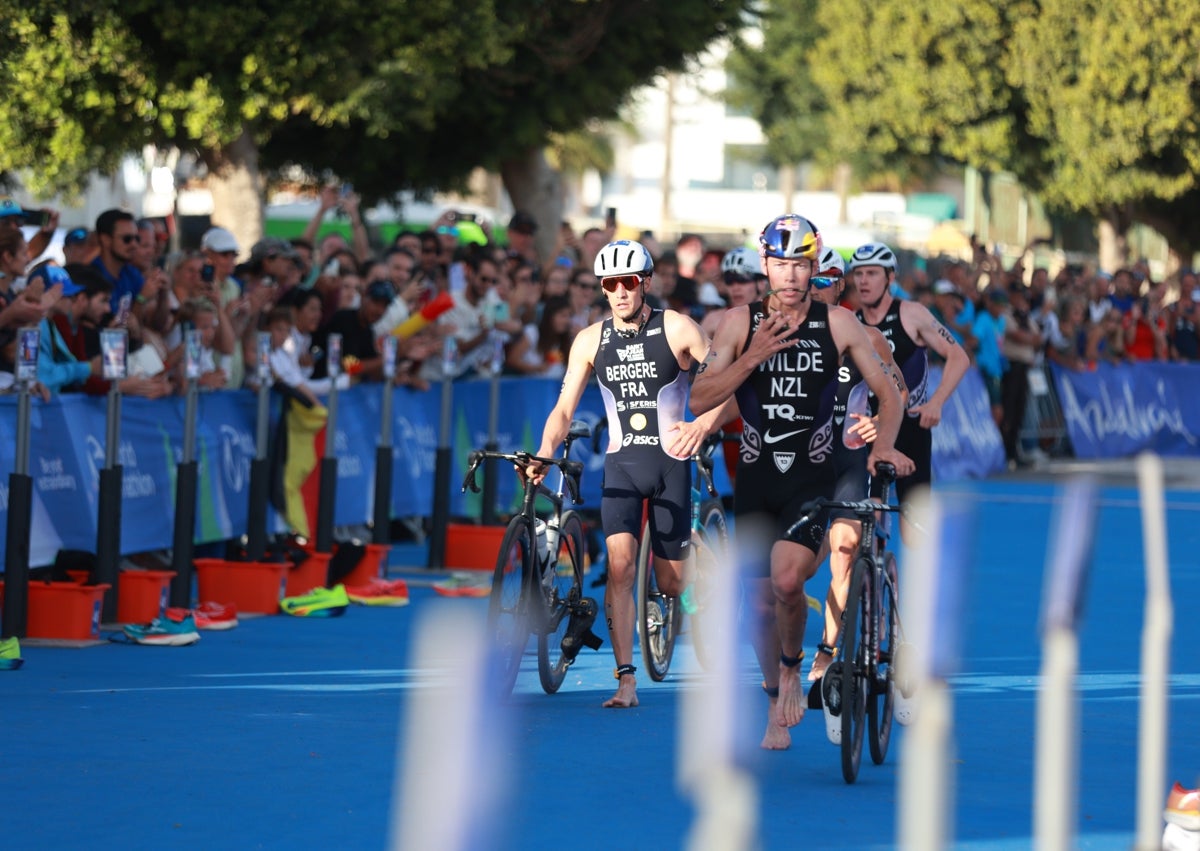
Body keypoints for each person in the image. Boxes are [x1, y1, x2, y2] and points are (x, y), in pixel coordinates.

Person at [690, 215, 912, 750]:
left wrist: (882, 443)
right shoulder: (738, 323)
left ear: (814, 267)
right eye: (781, 264)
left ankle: (794, 667)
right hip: (756, 478)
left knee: (789, 583)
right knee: (759, 601)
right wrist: (756, 356)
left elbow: (889, 392)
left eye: (800, 265)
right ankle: (773, 695)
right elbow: (700, 398)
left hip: (811, 476)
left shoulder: (837, 323)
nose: (790, 276)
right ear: (765, 265)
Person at [527, 239, 731, 710]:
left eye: (628, 282)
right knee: (618, 567)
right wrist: (543, 449)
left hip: (670, 464)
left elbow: (728, 381)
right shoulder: (589, 340)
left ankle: (698, 553)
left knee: (674, 584)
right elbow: (563, 410)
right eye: (609, 284)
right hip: (622, 464)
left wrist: (701, 424)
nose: (619, 292)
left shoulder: (678, 328)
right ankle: (626, 679)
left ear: (646, 283)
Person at [805, 246, 907, 684]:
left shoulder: (867, 336)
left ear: (840, 285)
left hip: (849, 459)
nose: (817, 289)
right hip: (802, 464)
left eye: (826, 281)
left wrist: (879, 423)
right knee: (802, 568)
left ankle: (826, 652)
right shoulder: (781, 335)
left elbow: (897, 395)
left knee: (844, 550)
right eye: (811, 281)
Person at [850, 241, 969, 537]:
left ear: (890, 278)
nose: (864, 281)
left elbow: (959, 356)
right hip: (872, 431)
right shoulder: (850, 323)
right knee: (869, 525)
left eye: (872, 273)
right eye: (859, 273)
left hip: (912, 430)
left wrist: (936, 402)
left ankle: (894, 578)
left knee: (913, 536)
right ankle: (870, 577)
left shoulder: (912, 313)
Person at [90, 209, 144, 317]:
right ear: (105, 239)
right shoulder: (90, 277)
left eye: (137, 238)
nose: (134, 245)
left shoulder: (132, 274)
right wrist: (142, 299)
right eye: (127, 239)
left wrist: (163, 295)